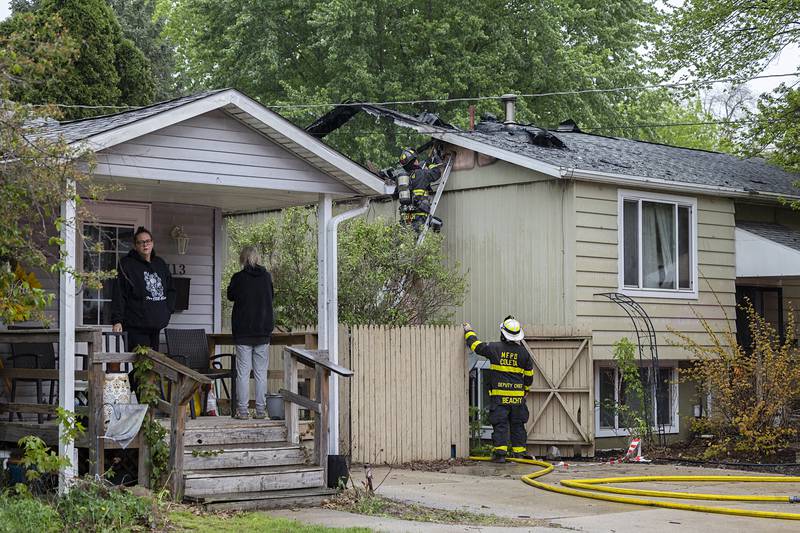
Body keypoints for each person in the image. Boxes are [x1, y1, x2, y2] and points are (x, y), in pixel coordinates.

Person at [463, 316, 534, 463]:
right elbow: (529, 377)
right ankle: (519, 455)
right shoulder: (524, 353)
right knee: (518, 426)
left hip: (499, 398)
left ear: (503, 333)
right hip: (517, 399)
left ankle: (500, 455)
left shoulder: (494, 348)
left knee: (500, 425)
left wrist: (469, 331)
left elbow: (476, 346)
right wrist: (525, 390)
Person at [226, 246, 274, 420]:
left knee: (243, 373)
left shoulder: (238, 278)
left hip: (243, 332)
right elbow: (271, 297)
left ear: (242, 259)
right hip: (262, 331)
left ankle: (243, 411)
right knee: (261, 373)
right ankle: (260, 411)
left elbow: (230, 295)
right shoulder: (266, 277)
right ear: (257, 258)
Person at [111, 226, 175, 354]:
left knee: (153, 363)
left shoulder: (160, 264)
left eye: (147, 241)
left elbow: (171, 289)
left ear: (152, 243)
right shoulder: (127, 264)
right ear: (135, 246)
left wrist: (168, 310)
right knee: (141, 363)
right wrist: (117, 320)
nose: (145, 245)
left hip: (156, 325)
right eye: (140, 242)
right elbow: (119, 293)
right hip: (135, 326)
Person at [397, 147, 444, 233]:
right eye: (416, 159)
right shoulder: (421, 174)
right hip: (419, 217)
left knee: (407, 238)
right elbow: (436, 173)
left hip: (406, 217)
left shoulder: (403, 179)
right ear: (414, 161)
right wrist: (431, 163)